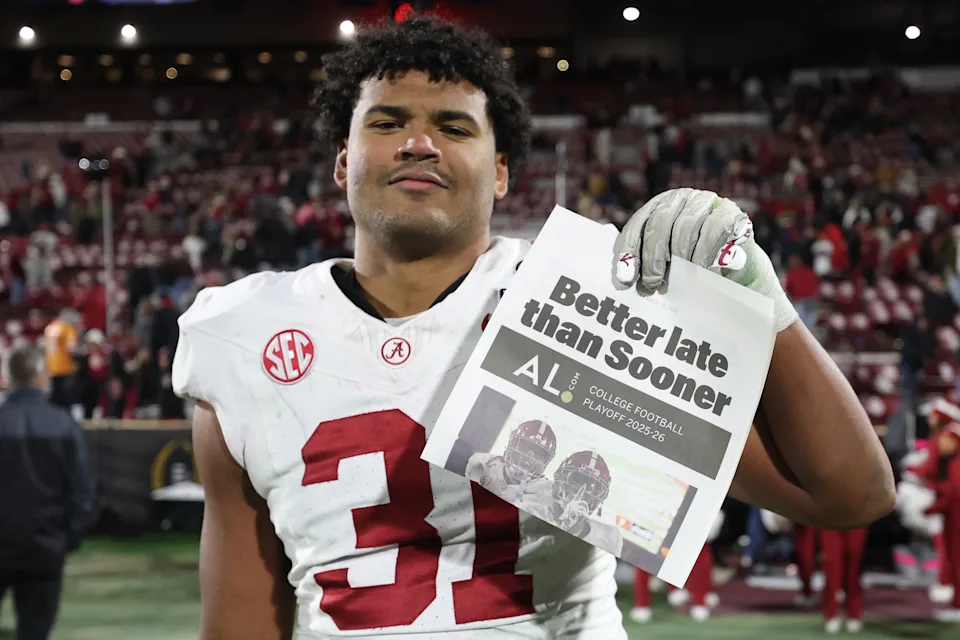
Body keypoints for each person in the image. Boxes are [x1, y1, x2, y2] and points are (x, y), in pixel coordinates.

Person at [172, 17, 895, 639]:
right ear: (342, 161)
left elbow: (849, 495)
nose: (419, 143)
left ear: (501, 173)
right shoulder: (246, 337)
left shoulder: (572, 303)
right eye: (387, 123)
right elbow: (240, 624)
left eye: (453, 127)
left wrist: (766, 306)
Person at [0, 345, 94, 640]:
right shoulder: (64, 425)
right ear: (43, 376)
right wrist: (67, 538)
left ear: (8, 377)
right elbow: (82, 491)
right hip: (45, 547)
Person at [466, 419, 556, 503]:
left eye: (538, 454)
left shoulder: (543, 494)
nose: (529, 456)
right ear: (512, 444)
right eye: (525, 447)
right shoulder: (482, 464)